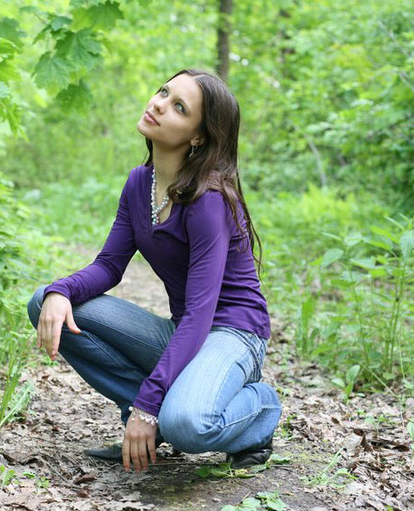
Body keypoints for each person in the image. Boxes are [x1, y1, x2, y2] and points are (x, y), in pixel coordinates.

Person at [27, 69, 281, 473]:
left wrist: (149, 404)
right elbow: (109, 265)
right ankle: (151, 414)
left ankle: (261, 409)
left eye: (179, 107)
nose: (159, 104)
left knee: (188, 426)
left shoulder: (208, 199)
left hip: (234, 334)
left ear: (198, 136)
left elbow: (201, 312)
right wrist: (60, 291)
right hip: (186, 330)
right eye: (163, 92)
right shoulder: (139, 183)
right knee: (46, 301)